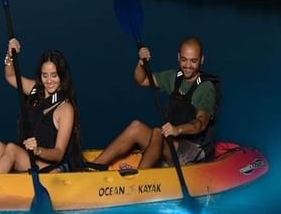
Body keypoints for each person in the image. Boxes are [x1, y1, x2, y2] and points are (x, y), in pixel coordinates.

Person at [0, 38, 83, 173]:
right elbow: (10, 76)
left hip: (50, 168)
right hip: (28, 159)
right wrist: (10, 55)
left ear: (62, 76)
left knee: (12, 149)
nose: (49, 80)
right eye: (45, 75)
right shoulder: (35, 90)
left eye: (54, 75)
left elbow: (59, 153)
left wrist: (38, 150)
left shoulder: (65, 108)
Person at [90, 36, 216, 170]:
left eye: (193, 61)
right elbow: (142, 79)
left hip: (193, 151)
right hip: (172, 143)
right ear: (178, 57)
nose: (188, 66)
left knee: (157, 132)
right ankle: (94, 167)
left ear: (201, 60)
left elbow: (200, 124)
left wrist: (177, 129)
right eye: (184, 60)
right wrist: (141, 64)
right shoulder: (176, 77)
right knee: (136, 126)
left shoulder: (205, 88)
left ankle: (140, 177)